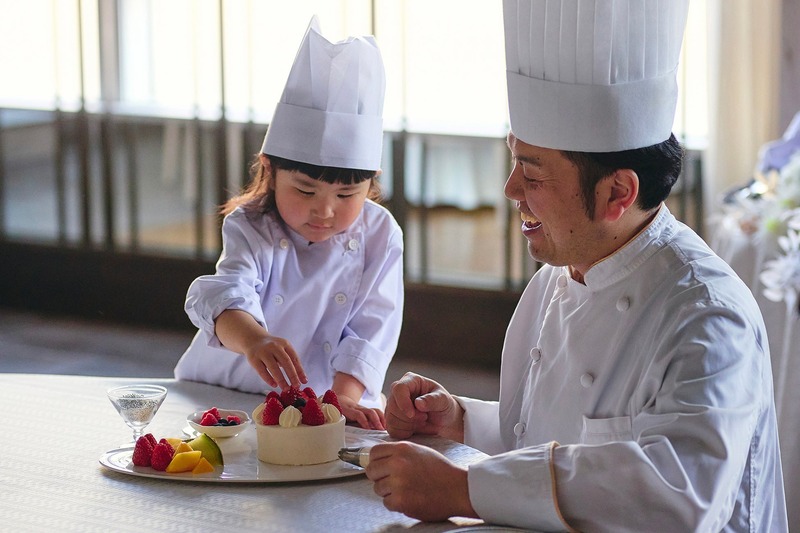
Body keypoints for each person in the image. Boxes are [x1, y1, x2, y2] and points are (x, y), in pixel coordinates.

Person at [365, 1, 789, 530]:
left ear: (617, 193)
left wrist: (463, 488)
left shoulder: (707, 313)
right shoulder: (556, 279)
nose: (510, 189)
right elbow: (548, 436)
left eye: (532, 175)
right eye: (513, 161)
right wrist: (459, 419)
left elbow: (680, 495)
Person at [174, 17, 403, 430]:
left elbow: (371, 329)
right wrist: (255, 340)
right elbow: (227, 294)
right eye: (305, 190)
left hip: (328, 401)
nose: (325, 211)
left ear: (372, 182)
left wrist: (343, 399)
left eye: (346, 195)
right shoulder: (251, 224)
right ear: (270, 170)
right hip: (228, 393)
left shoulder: (381, 234)